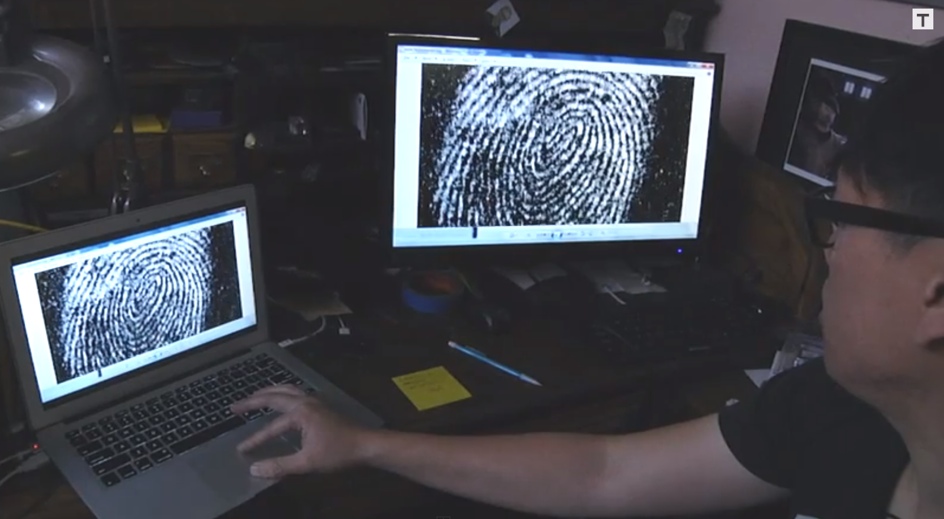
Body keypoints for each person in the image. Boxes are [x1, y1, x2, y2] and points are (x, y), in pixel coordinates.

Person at [231, 38, 944, 519]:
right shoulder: (831, 408)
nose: (830, 252)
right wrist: (364, 444)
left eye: (840, 221)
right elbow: (607, 471)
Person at [787, 70, 848, 180]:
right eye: (826, 107)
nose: (829, 113)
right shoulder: (799, 131)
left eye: (832, 110)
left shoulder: (838, 144)